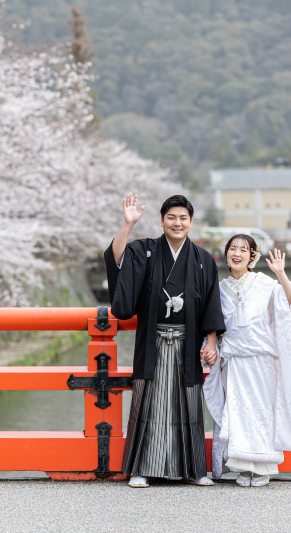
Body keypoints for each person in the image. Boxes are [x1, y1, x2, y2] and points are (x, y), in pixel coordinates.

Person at [104, 193, 226, 488]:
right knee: (149, 404)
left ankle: (193, 470)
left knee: (189, 404)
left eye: (183, 218)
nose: (177, 223)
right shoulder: (144, 251)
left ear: (191, 222)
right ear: (161, 221)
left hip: (188, 343)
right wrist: (127, 225)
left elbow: (211, 302)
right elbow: (116, 259)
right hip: (153, 342)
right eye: (171, 217)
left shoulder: (202, 259)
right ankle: (142, 469)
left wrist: (211, 341)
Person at [203, 235, 291, 487]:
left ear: (252, 256)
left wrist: (281, 274)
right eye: (232, 249)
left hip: (262, 361)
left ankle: (263, 468)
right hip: (234, 362)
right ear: (226, 254)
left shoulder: (265, 284)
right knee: (237, 413)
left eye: (244, 250)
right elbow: (211, 323)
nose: (237, 253)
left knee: (262, 413)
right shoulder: (218, 289)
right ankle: (242, 467)